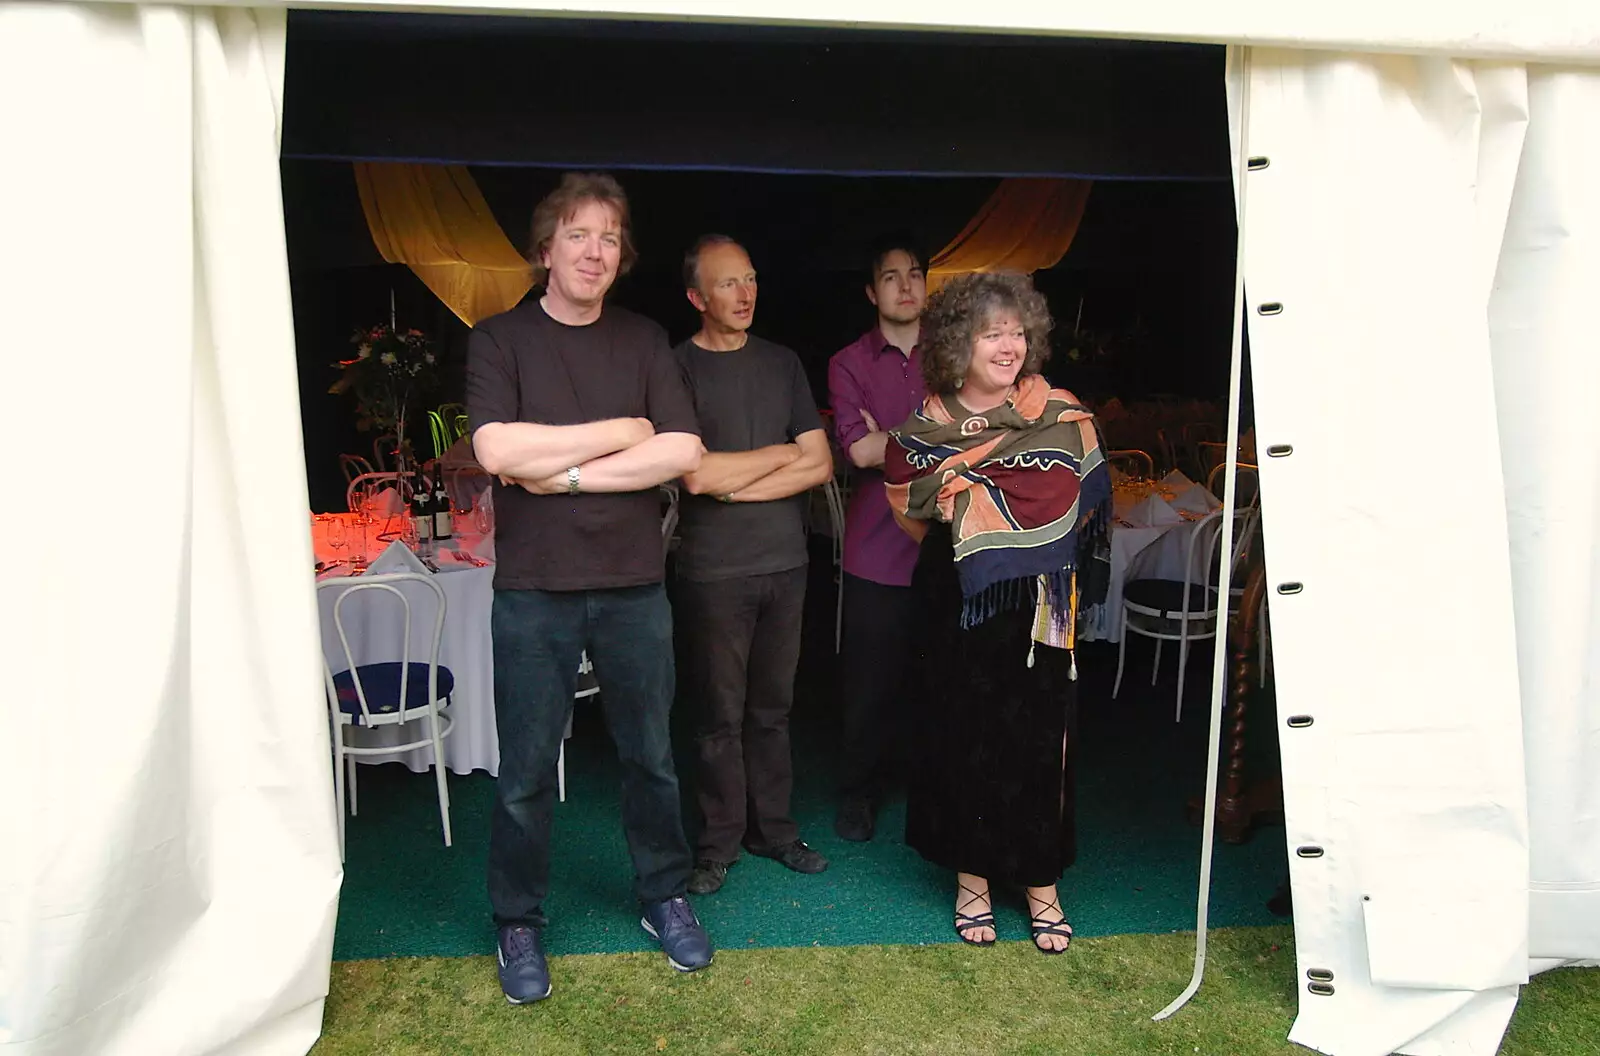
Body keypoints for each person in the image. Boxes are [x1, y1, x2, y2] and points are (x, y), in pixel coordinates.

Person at [466, 172, 714, 1005]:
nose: (594, 250)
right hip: (535, 591)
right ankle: (518, 922)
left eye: (609, 236)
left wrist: (564, 476)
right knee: (528, 771)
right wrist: (619, 433)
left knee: (651, 758)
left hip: (635, 587)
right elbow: (500, 453)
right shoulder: (499, 340)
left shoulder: (645, 341)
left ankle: (663, 897)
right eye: (578, 234)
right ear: (546, 248)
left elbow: (680, 451)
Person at [882, 272, 1109, 954]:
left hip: (1043, 603)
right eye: (991, 333)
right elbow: (910, 510)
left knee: (1044, 736)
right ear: (960, 343)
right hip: (956, 598)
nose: (1008, 345)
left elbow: (1088, 501)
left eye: (1016, 331)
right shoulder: (923, 430)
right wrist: (981, 550)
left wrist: (1024, 545)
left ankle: (1042, 884)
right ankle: (972, 881)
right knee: (963, 732)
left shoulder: (1062, 412)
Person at [672, 234, 835, 895]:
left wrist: (737, 476)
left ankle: (775, 830)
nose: (746, 293)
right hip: (713, 570)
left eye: (751, 279)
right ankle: (717, 846)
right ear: (696, 297)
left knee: (773, 708)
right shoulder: (676, 367)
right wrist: (777, 455)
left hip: (785, 564)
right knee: (718, 713)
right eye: (728, 283)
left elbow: (821, 462)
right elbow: (696, 475)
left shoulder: (783, 362)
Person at [824, 234, 929, 842]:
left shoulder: (954, 354)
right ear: (872, 291)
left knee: (936, 673)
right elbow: (858, 450)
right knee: (868, 681)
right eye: (892, 276)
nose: (906, 285)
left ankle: (928, 786)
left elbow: (974, 439)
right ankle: (859, 793)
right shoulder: (848, 362)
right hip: (875, 546)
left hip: (945, 543)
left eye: (915, 274)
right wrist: (931, 434)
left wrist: (889, 436)